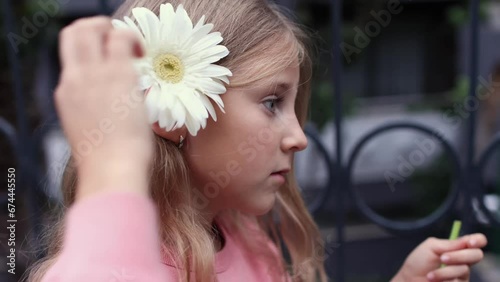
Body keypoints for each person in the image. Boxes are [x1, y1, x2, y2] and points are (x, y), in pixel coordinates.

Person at [27, 0, 487, 281]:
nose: (299, 138)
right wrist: (113, 160)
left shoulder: (246, 240)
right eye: (271, 102)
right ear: (176, 109)